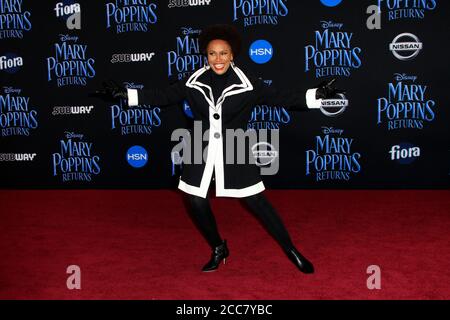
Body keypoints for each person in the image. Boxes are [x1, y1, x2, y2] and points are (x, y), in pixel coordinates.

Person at [95, 24, 342, 274]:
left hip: (235, 147)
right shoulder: (193, 82)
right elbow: (162, 96)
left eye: (223, 53)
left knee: (256, 201)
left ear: (232, 55)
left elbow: (284, 98)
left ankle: (291, 250)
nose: (218, 59)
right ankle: (218, 247)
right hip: (199, 147)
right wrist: (126, 95)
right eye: (212, 54)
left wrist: (316, 95)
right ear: (206, 55)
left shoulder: (250, 83)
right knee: (194, 199)